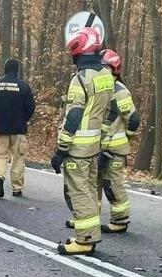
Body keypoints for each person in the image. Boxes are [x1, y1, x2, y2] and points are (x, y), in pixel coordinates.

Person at [51, 27, 113, 256]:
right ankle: (89, 232)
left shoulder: (80, 79)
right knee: (89, 189)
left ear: (78, 50)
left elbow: (74, 116)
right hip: (94, 146)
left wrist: (61, 149)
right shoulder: (106, 75)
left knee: (79, 192)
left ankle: (85, 240)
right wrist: (103, 137)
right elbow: (111, 111)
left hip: (78, 147)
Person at [97, 49, 141, 234]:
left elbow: (133, 119)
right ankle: (88, 218)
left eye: (105, 67)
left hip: (114, 149)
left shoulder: (119, 91)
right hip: (99, 147)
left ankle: (120, 220)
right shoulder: (101, 88)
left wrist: (125, 137)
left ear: (114, 69)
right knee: (94, 183)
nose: (101, 71)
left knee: (112, 184)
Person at [0, 58, 35, 198]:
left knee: (0, 155)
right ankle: (17, 188)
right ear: (17, 70)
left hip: (0, 127)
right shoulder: (24, 86)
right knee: (18, 159)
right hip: (19, 129)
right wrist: (23, 120)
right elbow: (31, 107)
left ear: (4, 69)